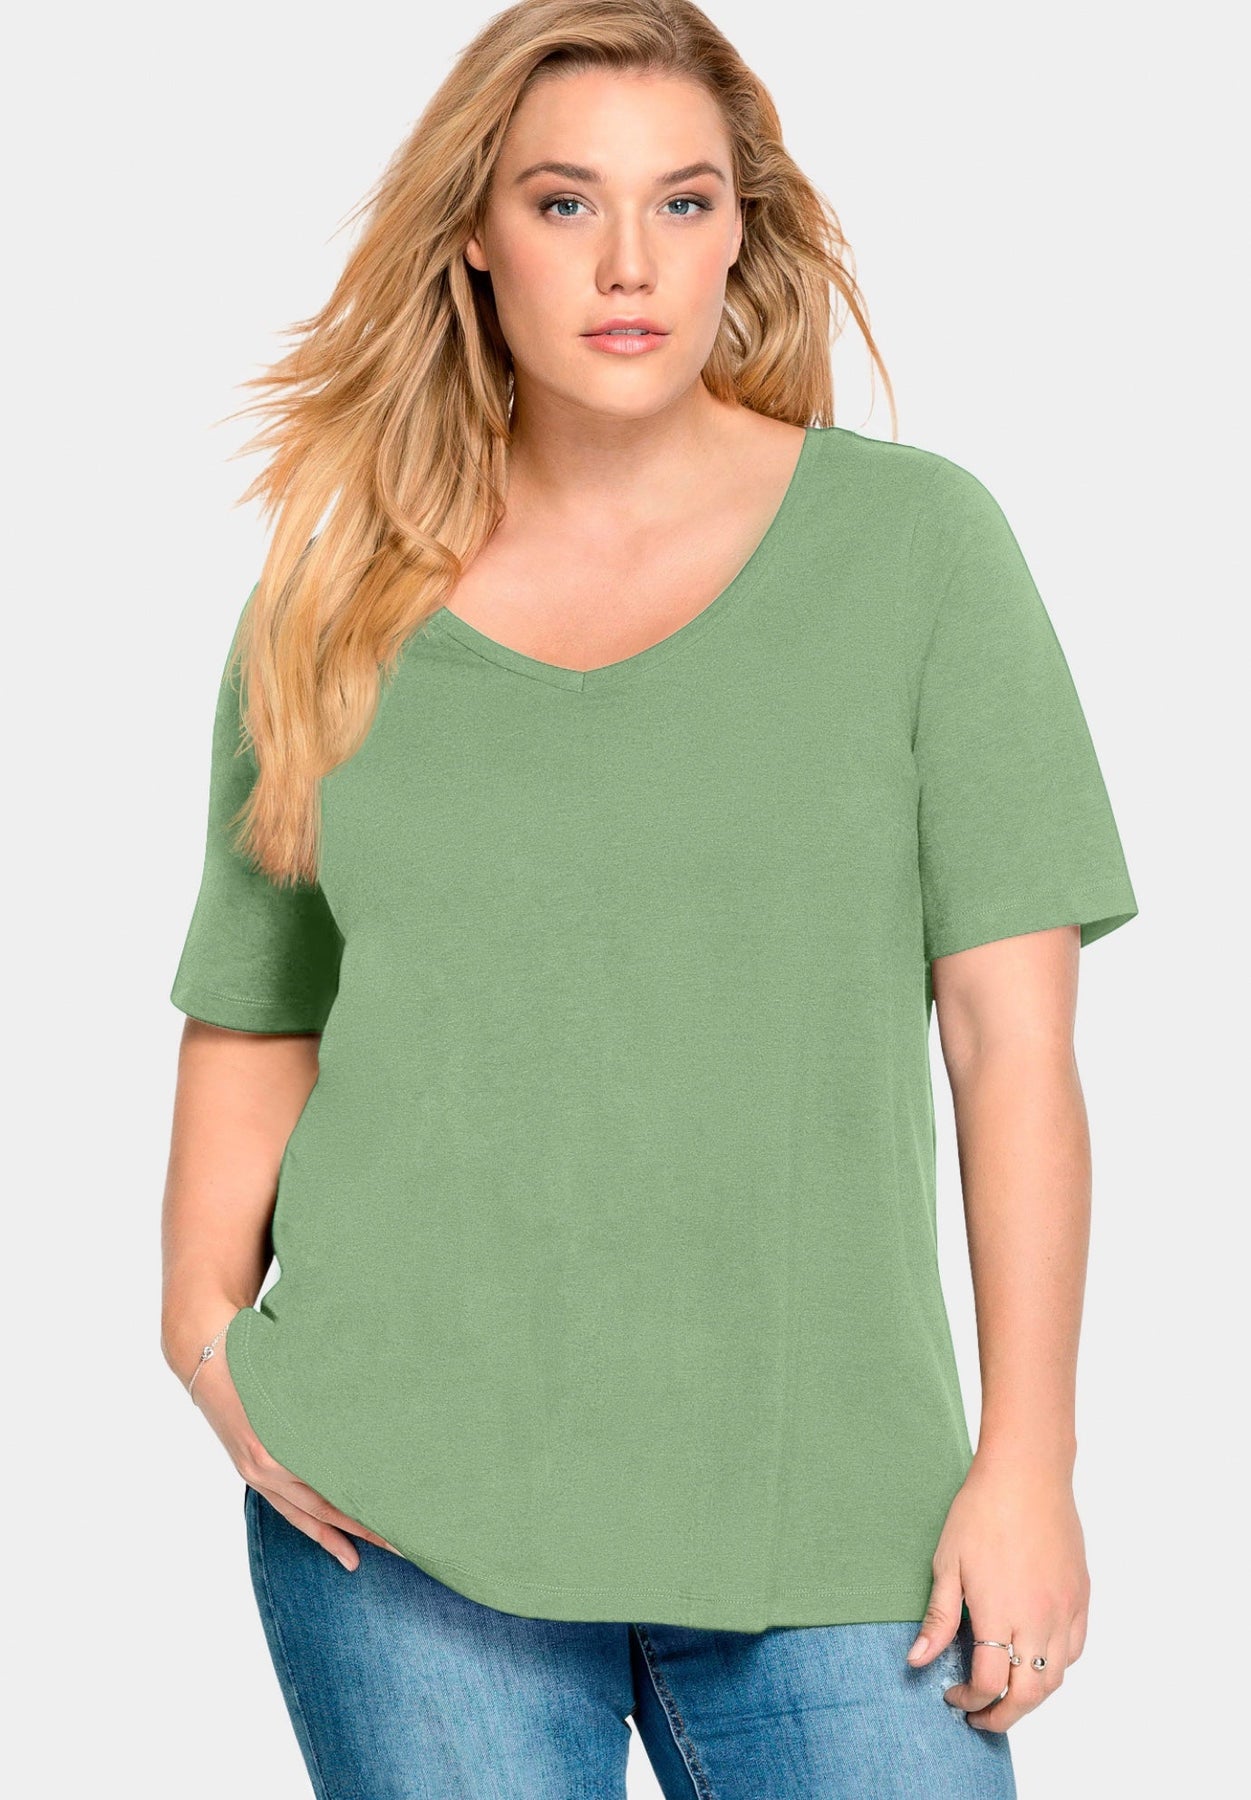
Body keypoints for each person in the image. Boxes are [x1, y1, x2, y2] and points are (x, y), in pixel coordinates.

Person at [160, 2, 1138, 1794]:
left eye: (683, 203)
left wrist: (1030, 1461)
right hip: (401, 1520)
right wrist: (202, 1333)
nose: (630, 263)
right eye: (565, 203)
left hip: (837, 1512)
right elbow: (263, 1004)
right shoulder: (331, 605)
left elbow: (1013, 1046)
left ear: (740, 229)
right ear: (475, 232)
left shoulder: (918, 552)